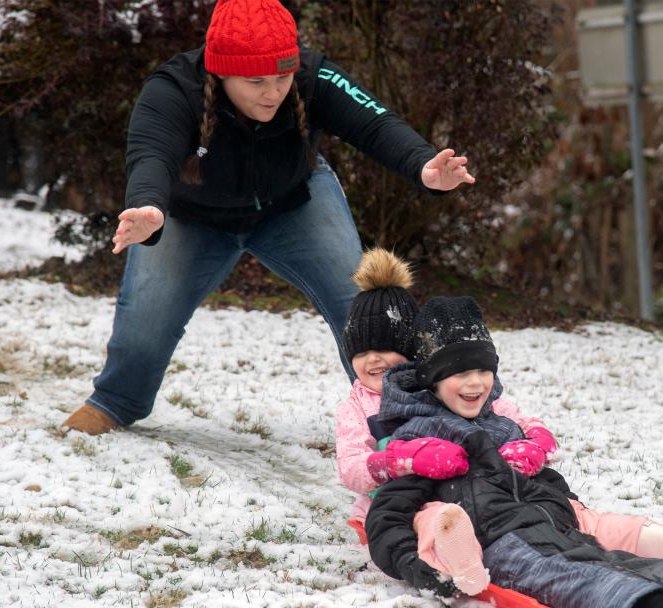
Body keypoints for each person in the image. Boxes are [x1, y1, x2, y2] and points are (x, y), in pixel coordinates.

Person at [62, 0, 474, 435]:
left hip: (293, 203)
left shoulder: (313, 76)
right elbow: (151, 154)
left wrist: (423, 165)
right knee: (146, 320)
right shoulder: (172, 89)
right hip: (188, 217)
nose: (273, 92)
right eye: (256, 81)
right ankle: (114, 402)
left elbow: (374, 123)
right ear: (220, 72)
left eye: (281, 78)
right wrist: (148, 207)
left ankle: (401, 414)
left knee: (360, 305)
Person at [336, 250, 663, 596]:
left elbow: (512, 416)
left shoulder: (438, 388)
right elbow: (352, 464)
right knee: (437, 517)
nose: (375, 361)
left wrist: (533, 443)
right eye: (363, 351)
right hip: (403, 498)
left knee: (576, 518)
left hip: (486, 488)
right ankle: (460, 563)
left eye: (388, 349)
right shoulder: (359, 405)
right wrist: (404, 462)